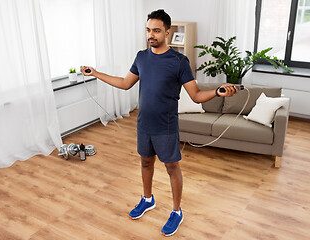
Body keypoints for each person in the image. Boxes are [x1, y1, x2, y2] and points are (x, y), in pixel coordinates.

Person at [81, 9, 239, 237]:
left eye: (156, 30)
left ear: (167, 31)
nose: (151, 35)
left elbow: (195, 95)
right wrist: (96, 73)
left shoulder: (179, 61)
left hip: (166, 126)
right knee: (146, 163)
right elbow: (126, 84)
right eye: (148, 30)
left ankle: (176, 211)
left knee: (172, 167)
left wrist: (217, 91)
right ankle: (147, 199)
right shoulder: (141, 57)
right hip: (144, 124)